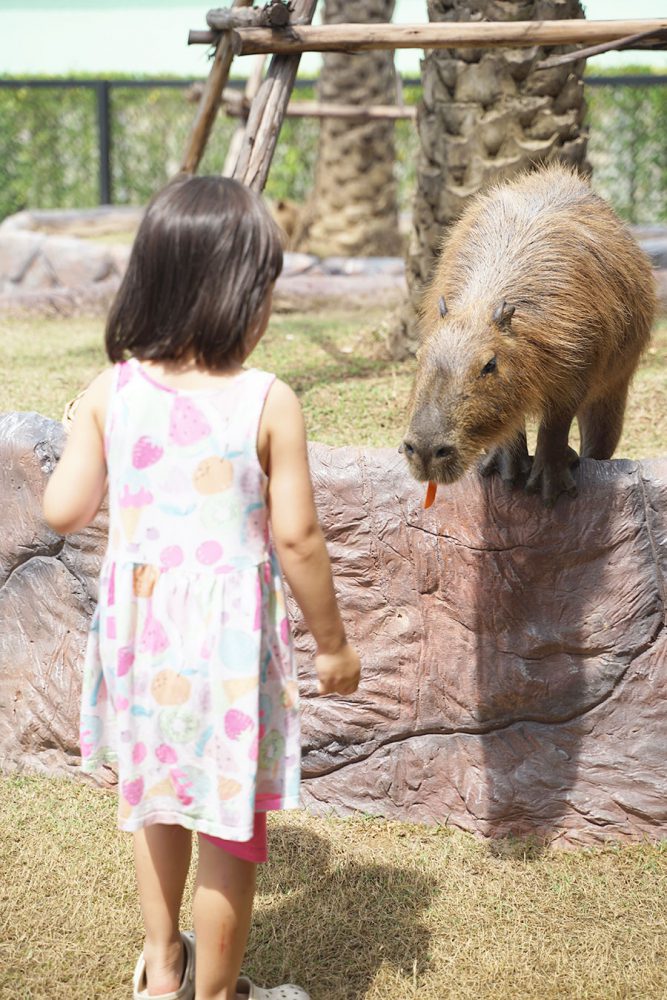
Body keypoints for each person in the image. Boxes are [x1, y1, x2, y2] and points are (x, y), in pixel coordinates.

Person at [42, 175, 361, 1000]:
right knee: (229, 821)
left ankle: (164, 966)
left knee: (154, 799)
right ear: (238, 296)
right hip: (223, 651)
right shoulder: (268, 399)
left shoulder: (114, 391)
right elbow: (296, 537)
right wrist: (332, 643)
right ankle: (218, 991)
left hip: (141, 641)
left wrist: (89, 417)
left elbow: (64, 508)